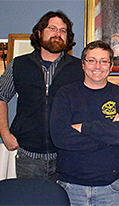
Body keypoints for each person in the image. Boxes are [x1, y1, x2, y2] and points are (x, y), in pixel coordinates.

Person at [50, 40, 119, 206]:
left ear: (111, 66)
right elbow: (60, 137)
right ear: (83, 64)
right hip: (70, 188)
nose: (97, 66)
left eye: (104, 61)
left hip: (111, 189)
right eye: (91, 60)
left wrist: (83, 128)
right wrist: (109, 136)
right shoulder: (65, 95)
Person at [0, 10, 84, 181]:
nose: (57, 34)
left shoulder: (79, 68)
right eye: (52, 28)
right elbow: (1, 96)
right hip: (29, 157)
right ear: (39, 33)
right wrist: (5, 133)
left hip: (67, 155)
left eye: (63, 31)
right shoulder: (19, 65)